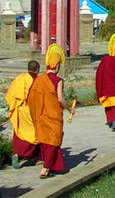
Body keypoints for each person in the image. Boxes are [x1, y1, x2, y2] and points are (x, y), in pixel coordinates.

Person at [27, 44, 75, 178]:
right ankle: (46, 168)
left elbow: (31, 98)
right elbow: (60, 99)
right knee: (53, 142)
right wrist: (70, 108)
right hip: (53, 116)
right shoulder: (58, 81)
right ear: (57, 65)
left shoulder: (39, 80)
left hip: (41, 116)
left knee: (46, 143)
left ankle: (51, 166)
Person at [5, 60, 40, 168]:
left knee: (19, 132)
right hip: (29, 111)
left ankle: (16, 154)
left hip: (19, 110)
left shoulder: (20, 78)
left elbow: (11, 94)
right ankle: (29, 156)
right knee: (34, 134)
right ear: (37, 70)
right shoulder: (36, 80)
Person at [95, 32, 115, 131]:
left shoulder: (105, 60)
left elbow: (99, 74)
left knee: (109, 105)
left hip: (107, 87)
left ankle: (110, 121)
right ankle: (114, 123)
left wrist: (100, 87)